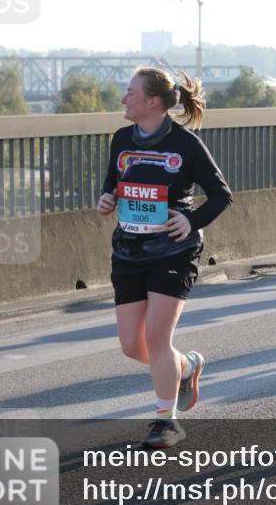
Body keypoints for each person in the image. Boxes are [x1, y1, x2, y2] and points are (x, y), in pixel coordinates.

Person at [97, 67, 233, 448]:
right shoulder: (122, 138)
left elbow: (222, 195)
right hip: (128, 249)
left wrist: (190, 221)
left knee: (157, 337)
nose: (124, 98)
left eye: (130, 92)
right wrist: (107, 198)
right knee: (132, 345)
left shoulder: (185, 144)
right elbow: (114, 181)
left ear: (152, 102)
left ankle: (165, 421)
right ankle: (186, 366)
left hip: (174, 250)